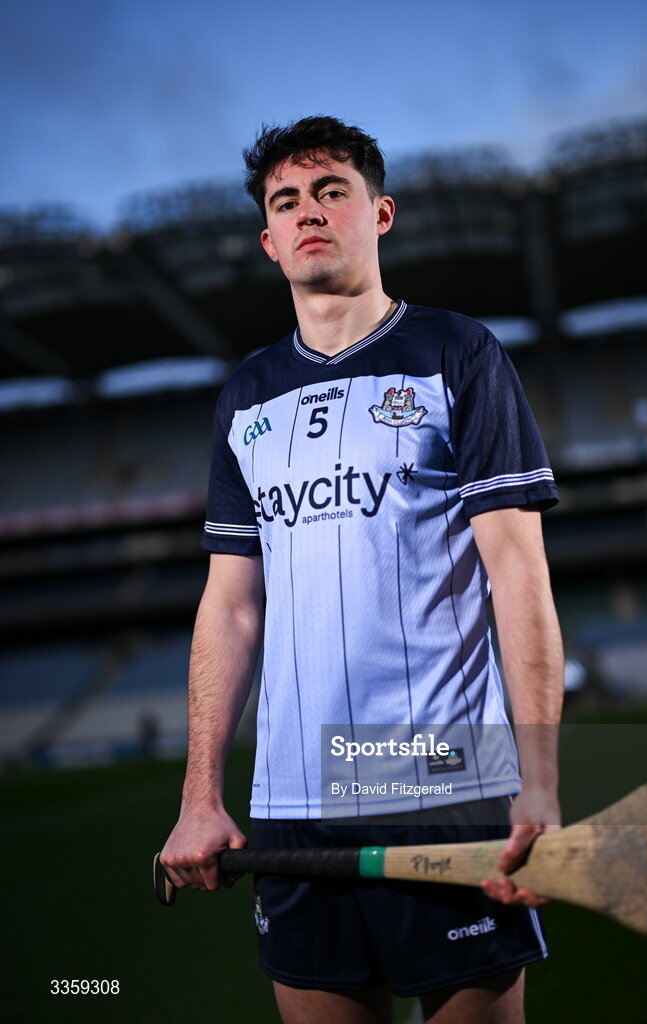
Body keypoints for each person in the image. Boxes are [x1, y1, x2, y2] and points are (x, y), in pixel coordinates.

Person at [160, 116, 564, 1024]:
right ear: (268, 240)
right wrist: (200, 799)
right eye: (287, 201)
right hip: (292, 794)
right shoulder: (245, 397)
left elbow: (519, 577)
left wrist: (537, 780)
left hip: (444, 776)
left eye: (331, 190)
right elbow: (230, 605)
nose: (309, 212)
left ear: (379, 213)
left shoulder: (457, 353)